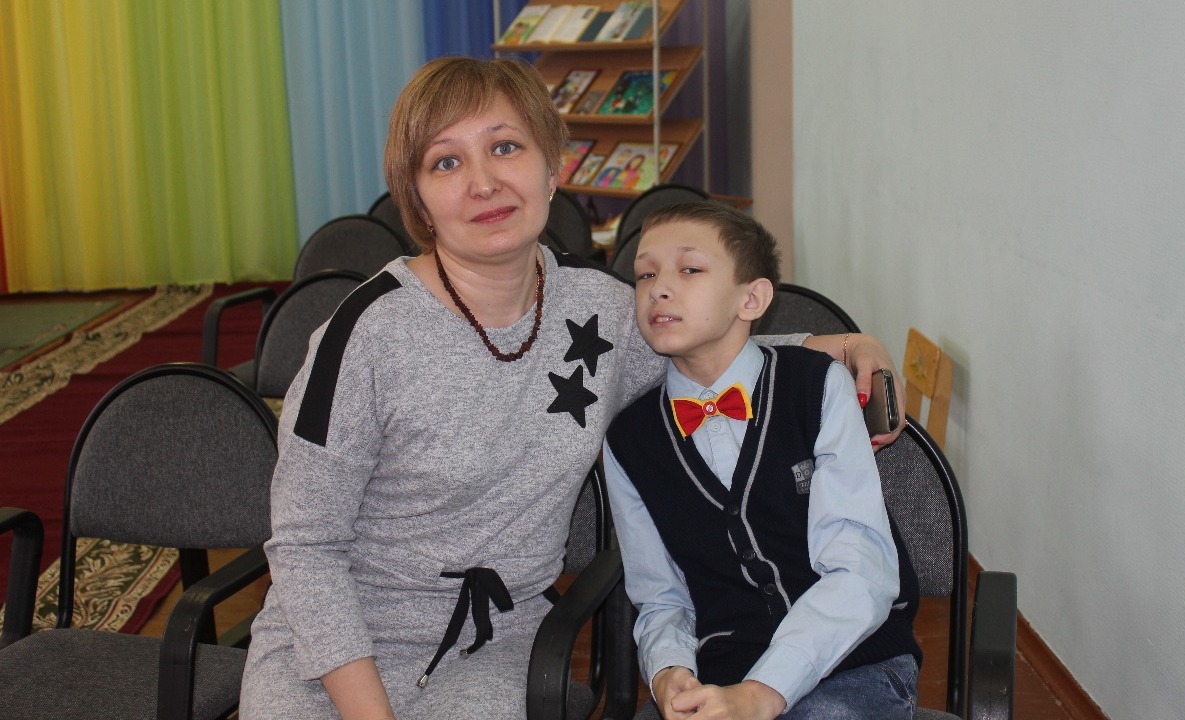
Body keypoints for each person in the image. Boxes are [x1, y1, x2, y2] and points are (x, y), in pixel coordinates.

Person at [238, 56, 903, 720]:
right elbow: (305, 547)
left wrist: (839, 347)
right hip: (332, 647)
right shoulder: (363, 336)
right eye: (446, 162)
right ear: (418, 199)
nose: (483, 182)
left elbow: (712, 349)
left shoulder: (601, 312)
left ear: (553, 168)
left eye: (506, 147)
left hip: (495, 644)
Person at [603, 202, 921, 720]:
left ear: (751, 298)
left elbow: (861, 569)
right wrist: (668, 671)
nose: (658, 288)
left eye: (689, 269)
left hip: (851, 663)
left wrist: (761, 692)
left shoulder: (816, 386)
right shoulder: (628, 440)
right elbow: (661, 597)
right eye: (645, 274)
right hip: (721, 674)